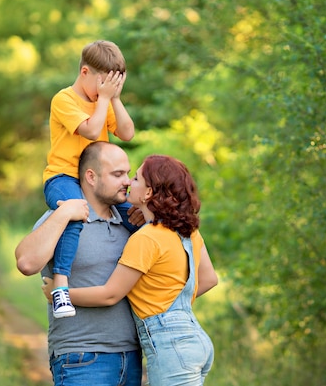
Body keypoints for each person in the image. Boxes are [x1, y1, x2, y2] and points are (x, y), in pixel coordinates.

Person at [43, 154, 219, 386]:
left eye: (135, 178)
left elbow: (110, 294)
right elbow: (208, 279)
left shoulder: (146, 238)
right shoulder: (188, 232)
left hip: (171, 346)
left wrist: (59, 293)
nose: (128, 182)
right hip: (195, 338)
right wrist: (167, 303)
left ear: (148, 193)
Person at [16, 142, 143, 386]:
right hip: (81, 358)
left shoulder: (129, 221)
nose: (127, 181)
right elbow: (26, 263)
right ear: (91, 177)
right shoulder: (60, 219)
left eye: (128, 173)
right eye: (117, 174)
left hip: (132, 356)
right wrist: (64, 213)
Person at [42, 40, 136, 318]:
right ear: (85, 73)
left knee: (134, 215)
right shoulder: (64, 100)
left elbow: (127, 133)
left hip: (98, 182)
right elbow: (93, 131)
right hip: (64, 176)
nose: (105, 92)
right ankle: (61, 287)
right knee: (74, 211)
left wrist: (114, 98)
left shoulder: (103, 101)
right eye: (103, 84)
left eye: (114, 85)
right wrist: (105, 99)